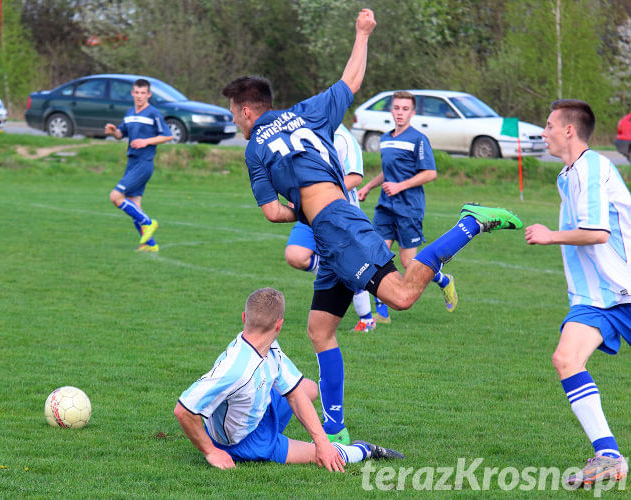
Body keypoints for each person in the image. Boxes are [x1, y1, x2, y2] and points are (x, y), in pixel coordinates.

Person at [222, 8, 522, 445]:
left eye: (233, 113)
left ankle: (471, 224)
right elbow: (352, 81)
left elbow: (272, 213)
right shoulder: (307, 112)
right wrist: (362, 33)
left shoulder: (253, 150)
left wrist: (301, 211)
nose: (233, 120)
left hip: (336, 228)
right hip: (334, 228)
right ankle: (336, 426)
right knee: (320, 330)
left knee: (400, 296)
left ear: (247, 111)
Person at [174, 287, 403, 470]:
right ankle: (365, 450)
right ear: (279, 325)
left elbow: (295, 393)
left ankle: (310, 441)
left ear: (244, 317)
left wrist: (321, 440)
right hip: (246, 442)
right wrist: (211, 452)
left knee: (309, 388)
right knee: (321, 456)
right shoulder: (236, 370)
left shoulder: (268, 347)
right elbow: (184, 410)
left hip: (256, 411)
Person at [525, 99, 630, 486]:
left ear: (569, 130)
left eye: (549, 125)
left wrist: (550, 236)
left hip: (625, 288)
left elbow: (598, 232)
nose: (544, 131)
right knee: (566, 359)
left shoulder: (592, 168)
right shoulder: (568, 174)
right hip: (595, 298)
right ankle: (608, 456)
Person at [357, 91, 457, 324]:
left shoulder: (418, 139)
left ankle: (444, 280)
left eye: (405, 109)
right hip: (385, 206)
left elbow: (430, 173)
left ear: (412, 113)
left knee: (408, 264)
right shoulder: (385, 138)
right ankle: (382, 312)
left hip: (409, 208)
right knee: (377, 256)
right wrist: (368, 187)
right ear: (391, 110)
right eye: (397, 108)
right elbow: (387, 172)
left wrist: (401, 186)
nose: (400, 112)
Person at [285, 124, 377, 332]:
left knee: (352, 267)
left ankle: (367, 319)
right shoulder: (306, 135)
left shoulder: (344, 138)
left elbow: (355, 177)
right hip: (310, 211)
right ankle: (340, 270)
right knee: (295, 255)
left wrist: (321, 191)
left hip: (339, 213)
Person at [105, 78, 173, 252]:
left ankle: (149, 223)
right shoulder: (130, 113)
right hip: (132, 162)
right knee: (134, 205)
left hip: (144, 163)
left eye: (143, 93)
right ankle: (150, 245)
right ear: (132, 93)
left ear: (148, 95)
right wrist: (113, 132)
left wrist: (146, 141)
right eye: (137, 92)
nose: (140, 96)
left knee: (115, 197)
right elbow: (121, 134)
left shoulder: (153, 114)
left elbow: (167, 136)